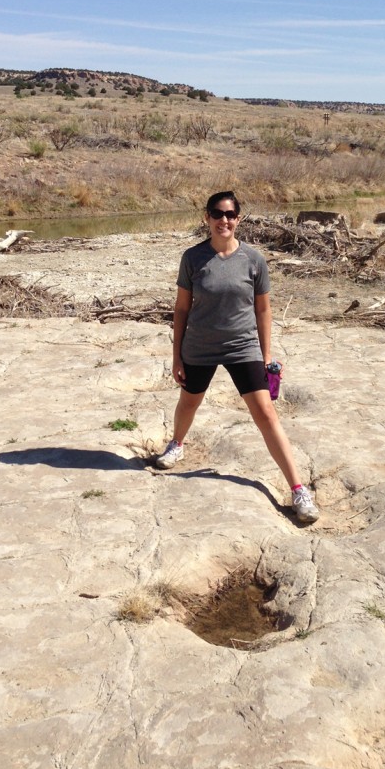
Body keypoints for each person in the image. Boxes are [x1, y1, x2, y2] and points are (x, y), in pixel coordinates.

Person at [154, 190, 319, 524]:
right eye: (217, 214)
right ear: (207, 218)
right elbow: (182, 308)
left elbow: (263, 308)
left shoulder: (253, 260)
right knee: (189, 403)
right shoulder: (193, 258)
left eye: (229, 214)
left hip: (243, 346)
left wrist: (265, 354)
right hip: (199, 346)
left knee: (266, 414)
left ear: (238, 219)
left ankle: (298, 489)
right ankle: (177, 443)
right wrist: (177, 356)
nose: (223, 220)